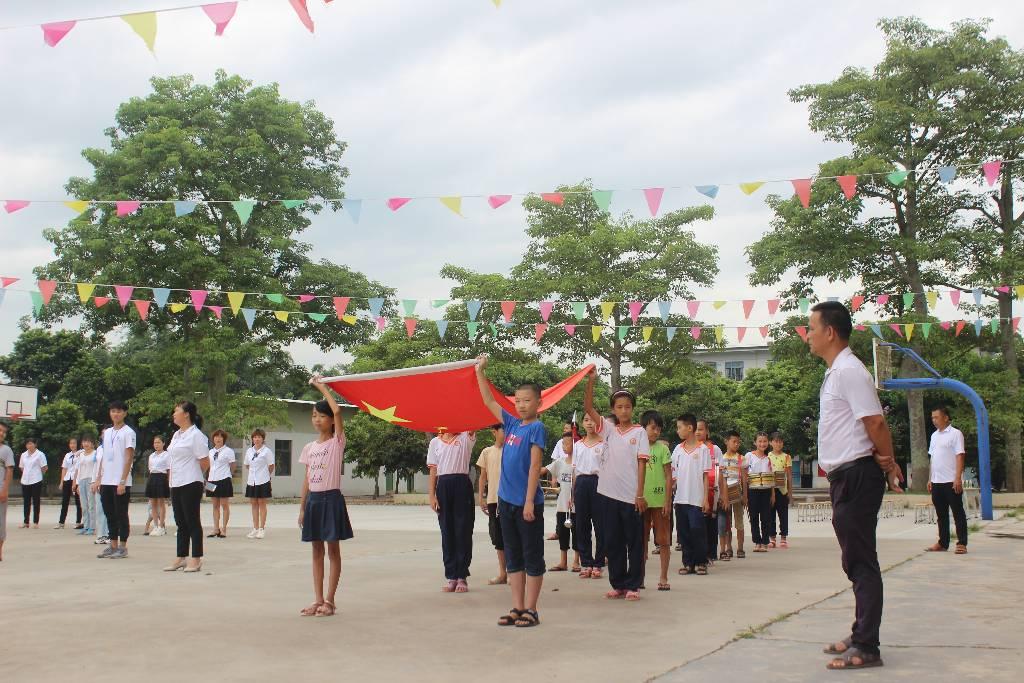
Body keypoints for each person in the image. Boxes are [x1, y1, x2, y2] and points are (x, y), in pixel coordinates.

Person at [807, 301, 902, 671]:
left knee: (861, 562)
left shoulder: (849, 371)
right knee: (855, 560)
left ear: (830, 331)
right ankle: (860, 632)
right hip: (846, 476)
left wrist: (888, 461)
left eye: (812, 328)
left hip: (857, 475)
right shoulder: (838, 371)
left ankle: (867, 646)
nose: (808, 336)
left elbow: (875, 423)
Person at [475, 354, 546, 628]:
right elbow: (488, 401)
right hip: (505, 503)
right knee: (513, 557)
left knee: (532, 557)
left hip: (527, 504)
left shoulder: (536, 428)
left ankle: (532, 609)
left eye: (527, 400)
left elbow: (535, 466)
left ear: (538, 402)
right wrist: (481, 372)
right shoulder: (512, 424)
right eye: (517, 400)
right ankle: (517, 607)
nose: (521, 405)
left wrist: (529, 501)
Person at [583, 372, 649, 601]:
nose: (623, 410)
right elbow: (589, 407)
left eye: (627, 406)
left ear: (632, 409)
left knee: (634, 542)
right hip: (607, 494)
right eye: (619, 407)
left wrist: (640, 494)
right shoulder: (608, 429)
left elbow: (641, 464)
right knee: (613, 541)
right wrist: (591, 381)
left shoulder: (640, 432)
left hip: (631, 496)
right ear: (613, 409)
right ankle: (618, 583)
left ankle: (634, 584)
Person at [298, 377, 354, 617]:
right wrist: (302, 508)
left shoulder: (336, 443)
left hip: (331, 500)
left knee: (333, 551)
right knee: (316, 552)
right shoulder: (309, 448)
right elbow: (307, 479)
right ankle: (317, 599)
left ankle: (330, 600)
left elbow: (339, 410)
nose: (317, 420)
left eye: (321, 415)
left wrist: (322, 387)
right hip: (314, 501)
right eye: (313, 416)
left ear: (330, 421)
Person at [427, 428, 477, 593]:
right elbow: (433, 470)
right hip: (443, 486)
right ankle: (451, 576)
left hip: (461, 484)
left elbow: (473, 421)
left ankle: (462, 576)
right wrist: (432, 496)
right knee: (447, 531)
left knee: (463, 529)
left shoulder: (465, 437)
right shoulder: (435, 441)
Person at [163, 402, 210, 573]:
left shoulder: (196, 435)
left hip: (191, 482)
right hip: (176, 483)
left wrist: (195, 476)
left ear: (187, 414)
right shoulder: (176, 435)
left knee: (192, 522)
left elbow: (205, 461)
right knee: (180, 522)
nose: (174, 414)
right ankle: (181, 557)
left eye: (176, 411)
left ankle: (196, 558)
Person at [92, 401, 136, 559]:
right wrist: (98, 478)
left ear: (124, 413)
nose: (115, 414)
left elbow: (129, 456)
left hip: (120, 481)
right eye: (113, 411)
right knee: (109, 513)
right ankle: (113, 545)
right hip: (106, 480)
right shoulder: (108, 432)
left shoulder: (128, 432)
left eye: (119, 411)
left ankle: (123, 547)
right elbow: (103, 456)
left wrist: (123, 481)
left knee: (121, 514)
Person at [671, 414, 710, 575]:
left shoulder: (703, 450)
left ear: (690, 428)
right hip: (680, 499)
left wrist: (706, 499)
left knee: (697, 530)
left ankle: (701, 561)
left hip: (696, 499)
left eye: (680, 427)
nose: (678, 430)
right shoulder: (677, 450)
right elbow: (673, 474)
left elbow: (706, 476)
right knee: (684, 532)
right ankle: (688, 563)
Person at [926, 407, 968, 554]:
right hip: (937, 481)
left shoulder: (956, 434)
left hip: (951, 481)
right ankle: (943, 543)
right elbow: (933, 458)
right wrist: (930, 478)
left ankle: (962, 543)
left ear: (945, 418)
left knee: (957, 512)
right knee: (941, 514)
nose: (934, 420)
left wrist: (958, 478)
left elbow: (960, 456)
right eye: (932, 418)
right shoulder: (934, 436)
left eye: (936, 417)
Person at [639, 410, 673, 591]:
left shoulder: (663, 449)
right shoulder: (637, 447)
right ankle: (640, 577)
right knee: (641, 540)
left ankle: (663, 577)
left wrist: (667, 501)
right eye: (653, 427)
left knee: (663, 540)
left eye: (659, 429)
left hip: (660, 501)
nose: (656, 431)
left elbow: (669, 476)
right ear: (643, 428)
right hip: (641, 501)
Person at [572, 413, 606, 579]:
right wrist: (573, 493)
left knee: (600, 526)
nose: (589, 423)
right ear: (582, 423)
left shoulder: (604, 443)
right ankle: (586, 562)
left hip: (599, 484)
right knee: (582, 525)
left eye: (592, 420)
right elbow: (575, 471)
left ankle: (598, 563)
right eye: (586, 420)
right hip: (581, 483)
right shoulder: (578, 444)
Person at [542, 434, 579, 572]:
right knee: (563, 534)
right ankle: (563, 561)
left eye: (567, 443)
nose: (564, 446)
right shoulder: (559, 462)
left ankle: (576, 561)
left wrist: (575, 498)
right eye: (563, 443)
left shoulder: (579, 463)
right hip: (562, 506)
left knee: (577, 534)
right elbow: (544, 470)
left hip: (575, 507)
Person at [476, 424, 507, 585]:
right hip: (493, 500)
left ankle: (515, 572)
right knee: (498, 538)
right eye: (503, 430)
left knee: (511, 537)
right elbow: (483, 477)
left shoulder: (511, 450)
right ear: (494, 432)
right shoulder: (487, 452)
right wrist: (481, 498)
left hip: (509, 500)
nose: (505, 433)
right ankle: (503, 573)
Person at [696, 420, 723, 565]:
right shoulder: (691, 448)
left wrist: (722, 495)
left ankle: (711, 554)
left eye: (701, 429)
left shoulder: (715, 449)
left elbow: (720, 472)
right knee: (698, 525)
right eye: (696, 429)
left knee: (711, 525)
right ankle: (699, 554)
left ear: (707, 431)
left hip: (713, 493)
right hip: (696, 492)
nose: (698, 432)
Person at [718, 430, 747, 560]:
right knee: (727, 522)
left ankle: (740, 548)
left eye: (738, 442)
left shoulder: (742, 459)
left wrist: (745, 496)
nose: (736, 444)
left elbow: (745, 479)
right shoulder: (721, 459)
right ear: (726, 441)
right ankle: (728, 548)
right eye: (734, 441)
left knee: (739, 522)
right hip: (725, 494)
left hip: (738, 494)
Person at [745, 432, 774, 553]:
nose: (762, 444)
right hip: (753, 491)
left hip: (766, 491)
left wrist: (773, 494)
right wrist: (745, 494)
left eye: (765, 441)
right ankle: (757, 541)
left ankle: (765, 541)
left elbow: (772, 477)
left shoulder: (769, 458)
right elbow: (743, 473)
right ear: (755, 442)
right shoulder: (749, 456)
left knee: (766, 517)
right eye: (760, 441)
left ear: (768, 443)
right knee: (754, 517)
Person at [244, 429, 274, 538]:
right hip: (252, 481)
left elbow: (271, 466)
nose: (257, 439)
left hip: (263, 480)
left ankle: (262, 529)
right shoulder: (249, 451)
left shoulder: (267, 451)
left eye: (259, 437)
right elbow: (247, 465)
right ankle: (255, 528)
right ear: (252, 439)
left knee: (262, 503)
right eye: (255, 437)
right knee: (253, 504)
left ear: (263, 439)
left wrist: (265, 474)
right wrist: (254, 473)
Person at [206, 430, 236, 539]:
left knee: (224, 505)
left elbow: (233, 465)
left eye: (220, 437)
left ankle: (224, 529)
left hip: (224, 479)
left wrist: (229, 476)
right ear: (213, 439)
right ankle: (215, 529)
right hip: (211, 480)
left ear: (224, 439)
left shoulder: (229, 451)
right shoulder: (210, 452)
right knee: (214, 505)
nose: (218, 439)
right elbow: (208, 466)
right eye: (216, 437)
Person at [768, 432, 793, 549]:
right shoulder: (767, 456)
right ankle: (772, 538)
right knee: (770, 514)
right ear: (770, 442)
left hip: (782, 490)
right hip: (770, 490)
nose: (778, 444)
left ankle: (783, 538)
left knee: (783, 515)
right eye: (776, 441)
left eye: (780, 441)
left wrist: (790, 493)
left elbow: (789, 475)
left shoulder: (787, 457)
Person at [145, 435, 171, 537]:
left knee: (161, 503)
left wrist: (168, 482)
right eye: (155, 443)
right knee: (153, 504)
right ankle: (155, 526)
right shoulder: (151, 456)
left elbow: (169, 469)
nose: (156, 444)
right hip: (153, 477)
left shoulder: (167, 455)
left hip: (162, 477)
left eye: (159, 442)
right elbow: (150, 468)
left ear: (163, 443)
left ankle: (161, 526)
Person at [73, 435, 99, 537]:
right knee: (84, 505)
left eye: (88, 441)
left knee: (91, 505)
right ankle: (86, 526)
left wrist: (94, 482)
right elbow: (78, 469)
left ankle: (92, 527)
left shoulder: (95, 454)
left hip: (91, 480)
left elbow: (97, 469)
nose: (86, 444)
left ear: (92, 443)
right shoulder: (81, 455)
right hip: (82, 480)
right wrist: (77, 483)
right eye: (84, 441)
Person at [19, 438, 47, 529]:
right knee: (26, 502)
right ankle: (26, 522)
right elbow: (22, 467)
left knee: (36, 501)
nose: (29, 446)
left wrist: (37, 474)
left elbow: (44, 468)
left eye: (31, 444)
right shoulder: (23, 455)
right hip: (25, 481)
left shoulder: (40, 455)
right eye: (28, 444)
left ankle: (35, 522)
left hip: (36, 480)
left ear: (35, 444)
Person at [56, 438, 83, 529]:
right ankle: (61, 522)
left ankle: (78, 522)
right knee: (65, 501)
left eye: (74, 443)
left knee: (78, 501)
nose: (72, 445)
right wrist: (61, 481)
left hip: (77, 479)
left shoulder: (81, 453)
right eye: (71, 443)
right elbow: (64, 468)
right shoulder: (67, 455)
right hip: (68, 478)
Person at [0, 423, 14, 560]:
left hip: (0, 490)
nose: (2, 434)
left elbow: (9, 470)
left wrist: (5, 489)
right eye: (0, 430)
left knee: (0, 521)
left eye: (4, 432)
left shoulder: (6, 450)